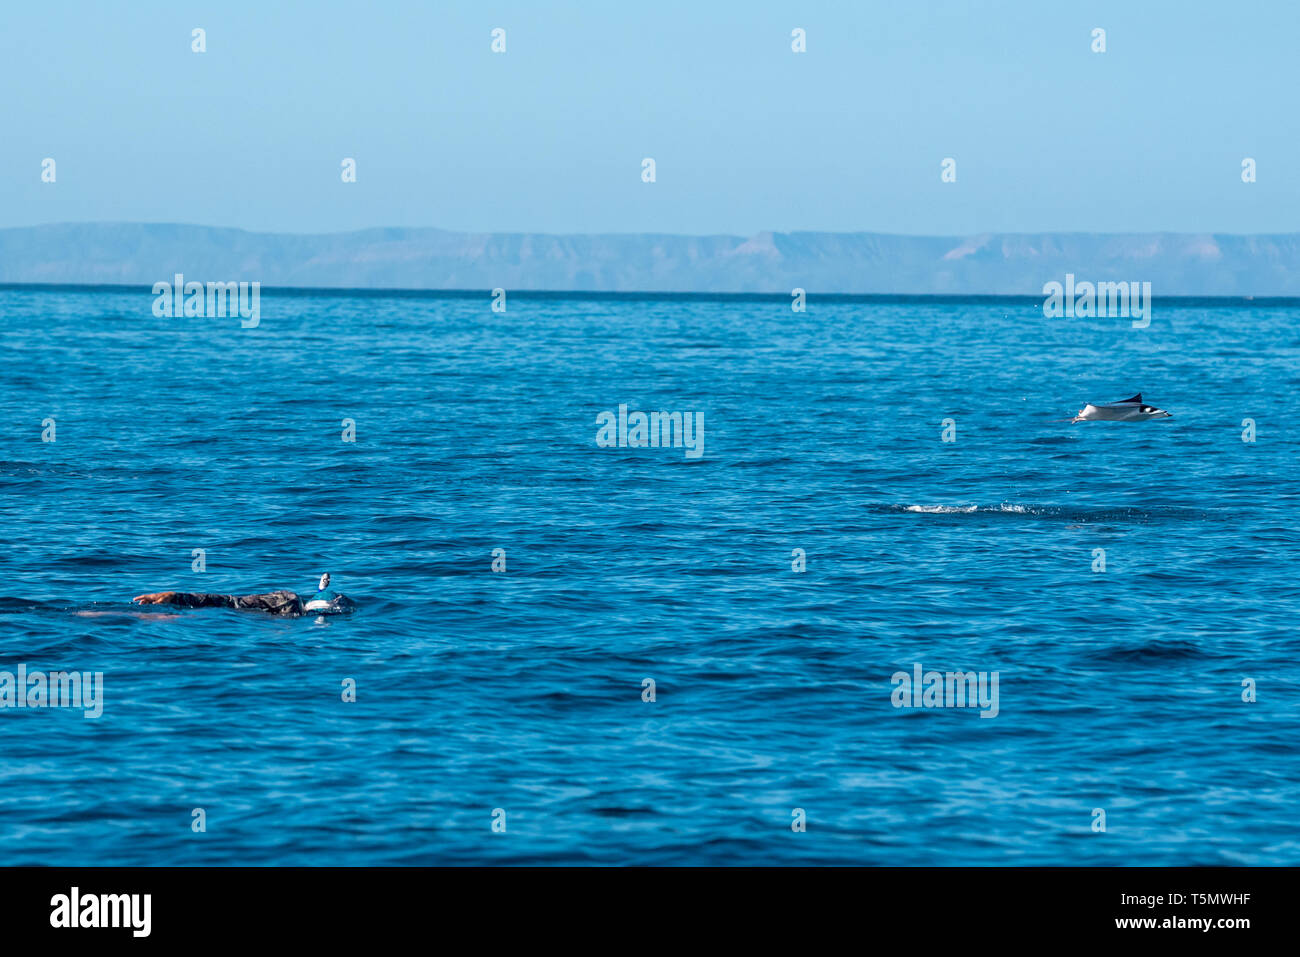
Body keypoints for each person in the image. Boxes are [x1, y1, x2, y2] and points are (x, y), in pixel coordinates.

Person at [132, 573, 354, 617]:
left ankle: (176, 598)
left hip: (291, 603)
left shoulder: (290, 601)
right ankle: (176, 598)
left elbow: (228, 602)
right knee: (231, 605)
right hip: (293, 607)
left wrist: (178, 597)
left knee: (231, 604)